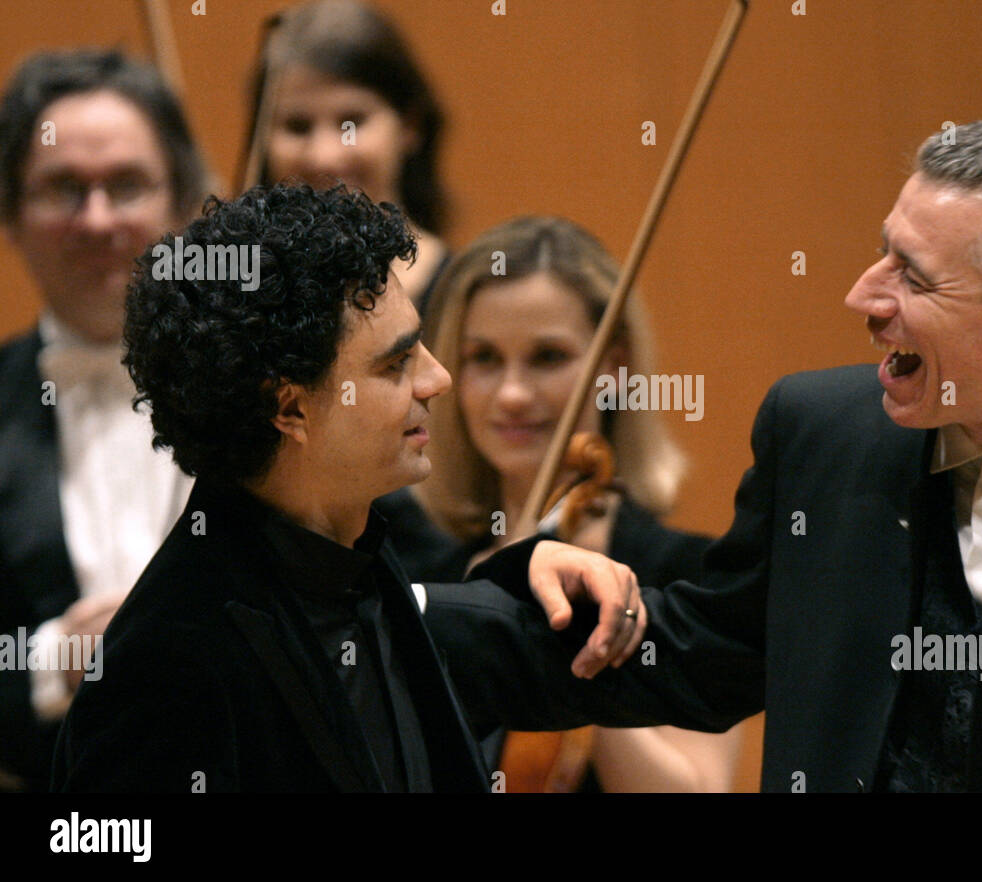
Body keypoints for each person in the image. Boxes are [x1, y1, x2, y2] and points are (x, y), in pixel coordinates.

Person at [422, 118, 982, 792]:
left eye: (912, 277)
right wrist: (426, 611)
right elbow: (699, 652)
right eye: (885, 251)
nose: (863, 296)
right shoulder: (822, 434)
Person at [51, 184, 644, 792]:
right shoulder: (163, 667)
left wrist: (531, 561)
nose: (437, 378)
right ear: (290, 408)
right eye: (396, 364)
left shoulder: (356, 559)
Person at [409, 215, 742, 792]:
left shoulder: (689, 574)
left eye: (547, 357)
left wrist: (577, 645)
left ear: (612, 368)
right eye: (484, 358)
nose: (512, 394)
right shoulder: (430, 576)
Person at [0, 49, 208, 791]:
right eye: (62, 189)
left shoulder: (270, 393)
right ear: (12, 217)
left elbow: (399, 589)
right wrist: (49, 660)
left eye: (127, 186)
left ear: (182, 201)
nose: (96, 220)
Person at [244, 0, 452, 320]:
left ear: (410, 124)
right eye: (297, 126)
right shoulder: (243, 289)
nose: (324, 156)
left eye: (351, 124)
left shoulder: (462, 294)